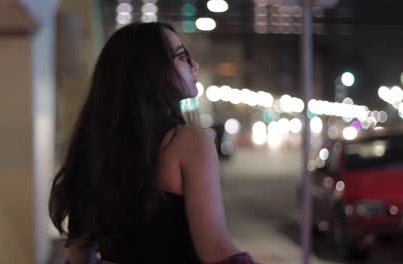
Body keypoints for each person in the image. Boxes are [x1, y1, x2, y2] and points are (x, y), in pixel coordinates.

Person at [49, 22, 255, 264]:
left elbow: (79, 254)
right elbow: (216, 250)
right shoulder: (189, 142)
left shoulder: (94, 146)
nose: (194, 65)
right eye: (181, 57)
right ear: (150, 70)